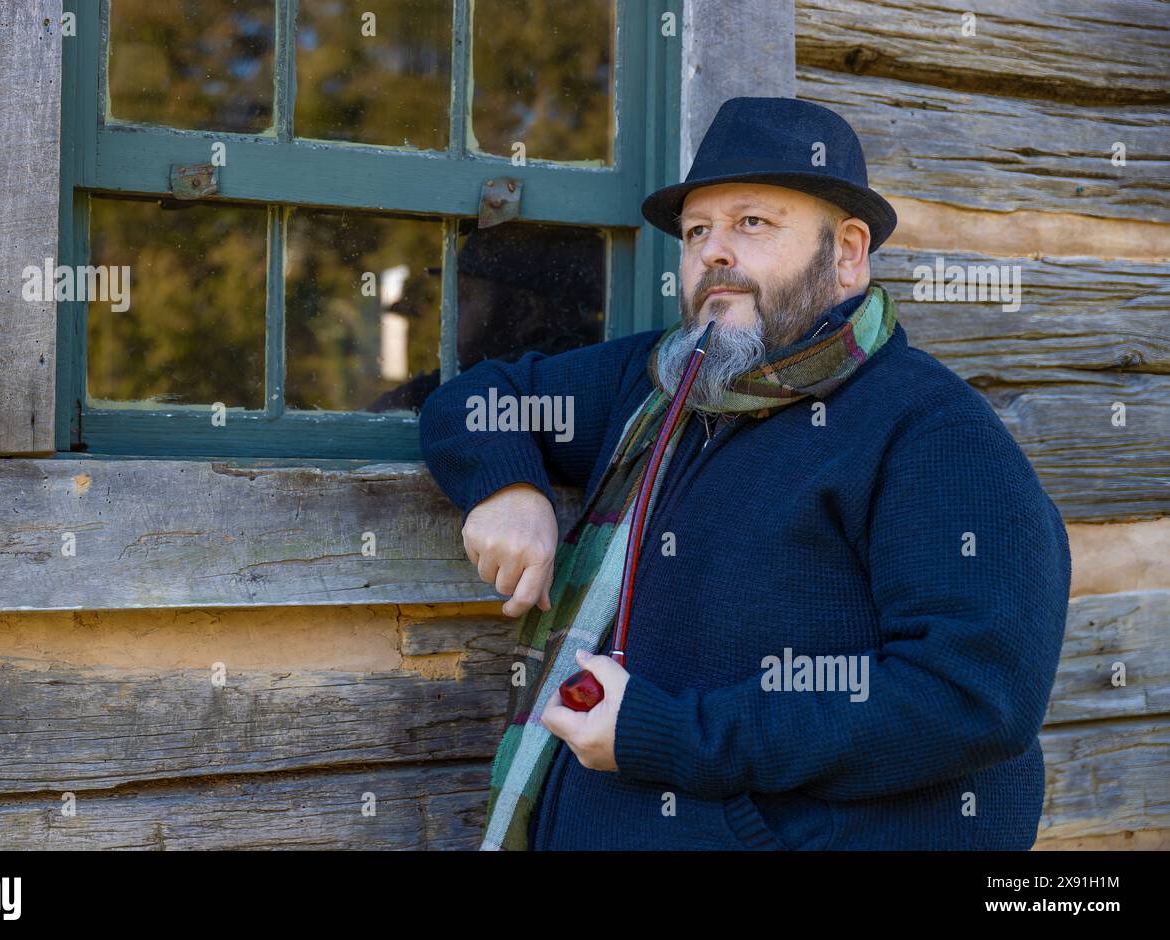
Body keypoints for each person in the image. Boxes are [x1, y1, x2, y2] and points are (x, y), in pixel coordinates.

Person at [418, 96, 1071, 850]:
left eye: (751, 223)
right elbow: (479, 399)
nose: (713, 253)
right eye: (698, 231)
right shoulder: (660, 380)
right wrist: (507, 488)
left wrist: (668, 736)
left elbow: (971, 699)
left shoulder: (935, 433)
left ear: (848, 253)